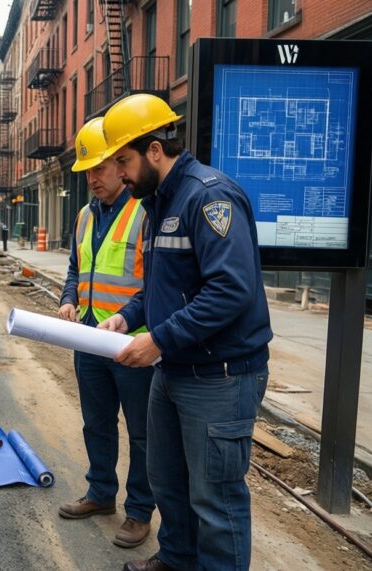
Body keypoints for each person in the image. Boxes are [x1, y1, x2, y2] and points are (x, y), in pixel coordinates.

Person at [96, 94, 273, 571]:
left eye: (124, 161)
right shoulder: (157, 202)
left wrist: (158, 339)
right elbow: (161, 286)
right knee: (169, 481)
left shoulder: (209, 196)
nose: (121, 173)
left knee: (215, 500)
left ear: (155, 150)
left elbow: (230, 291)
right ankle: (176, 560)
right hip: (175, 368)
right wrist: (129, 317)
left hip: (221, 374)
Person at [57, 117, 155, 549]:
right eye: (88, 172)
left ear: (120, 164)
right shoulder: (83, 215)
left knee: (142, 432)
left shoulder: (145, 212)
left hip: (133, 343)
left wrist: (128, 322)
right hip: (89, 338)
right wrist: (67, 299)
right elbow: (76, 269)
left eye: (99, 168)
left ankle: (139, 512)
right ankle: (100, 493)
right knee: (96, 423)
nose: (92, 179)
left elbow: (158, 285)